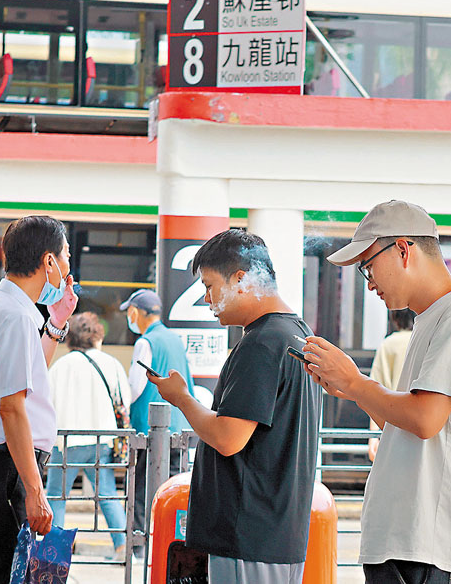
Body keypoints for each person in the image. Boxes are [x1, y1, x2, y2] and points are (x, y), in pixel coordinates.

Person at [302, 200, 451, 583]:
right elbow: (404, 424)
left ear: (402, 248)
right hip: (413, 546)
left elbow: (425, 419)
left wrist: (354, 382)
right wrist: (351, 390)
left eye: (368, 266)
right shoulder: (434, 318)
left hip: (428, 548)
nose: (370, 282)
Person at [147, 229, 322, 583]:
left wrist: (181, 397)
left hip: (247, 536)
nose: (207, 300)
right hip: (276, 532)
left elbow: (228, 437)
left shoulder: (261, 343)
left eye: (210, 286)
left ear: (241, 279)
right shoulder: (297, 333)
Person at [0, 215, 77, 583]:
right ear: (49, 261)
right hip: (6, 462)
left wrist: (56, 323)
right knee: (5, 570)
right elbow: (12, 408)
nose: (69, 266)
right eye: (66, 255)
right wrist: (35, 490)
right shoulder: (15, 317)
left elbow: (28, 375)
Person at [46, 311, 130, 559]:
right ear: (96, 336)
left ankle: (56, 554)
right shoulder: (111, 363)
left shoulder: (60, 366)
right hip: (101, 440)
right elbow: (124, 400)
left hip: (66, 441)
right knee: (106, 494)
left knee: (56, 497)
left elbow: (46, 404)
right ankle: (122, 547)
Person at [119, 288, 195, 545]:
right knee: (172, 486)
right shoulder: (174, 339)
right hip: (178, 426)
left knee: (142, 486)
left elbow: (134, 388)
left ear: (136, 313)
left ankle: (141, 542)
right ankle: (171, 539)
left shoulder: (145, 342)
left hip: (149, 429)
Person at [367, 308, 414, 462]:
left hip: (392, 425)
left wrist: (373, 437)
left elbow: (374, 388)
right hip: (419, 423)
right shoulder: (426, 340)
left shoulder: (389, 344)